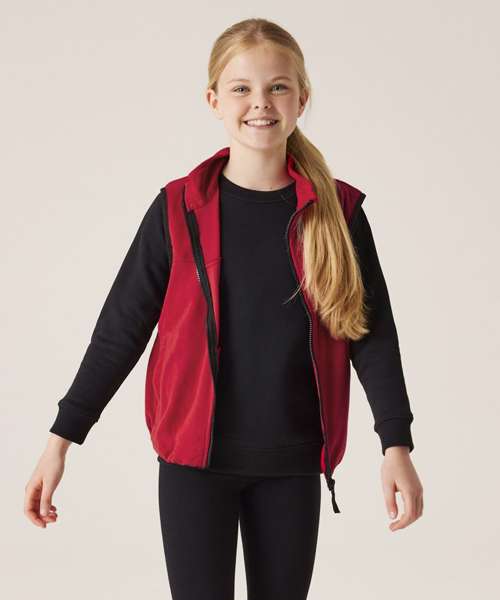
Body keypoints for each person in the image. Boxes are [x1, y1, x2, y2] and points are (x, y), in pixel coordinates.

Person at [24, 17, 423, 600]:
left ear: (302, 99)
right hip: (194, 465)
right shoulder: (177, 208)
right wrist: (61, 441)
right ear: (214, 101)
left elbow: (372, 335)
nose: (260, 103)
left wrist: (396, 446)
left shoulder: (337, 213)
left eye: (278, 87)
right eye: (241, 88)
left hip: (292, 463)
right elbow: (120, 332)